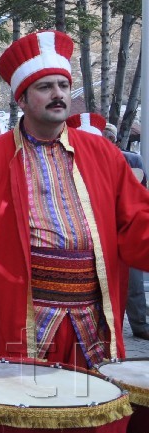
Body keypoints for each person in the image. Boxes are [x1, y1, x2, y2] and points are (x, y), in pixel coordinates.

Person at [0, 31, 149, 367]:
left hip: (92, 314)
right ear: (22, 99)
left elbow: (136, 220)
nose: (58, 94)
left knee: (91, 405)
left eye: (63, 86)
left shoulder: (102, 153)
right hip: (21, 310)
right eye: (45, 87)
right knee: (24, 407)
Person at [78, 113, 149, 340]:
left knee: (132, 288)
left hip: (118, 247)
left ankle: (139, 325)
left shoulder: (127, 162)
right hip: (77, 262)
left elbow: (137, 205)